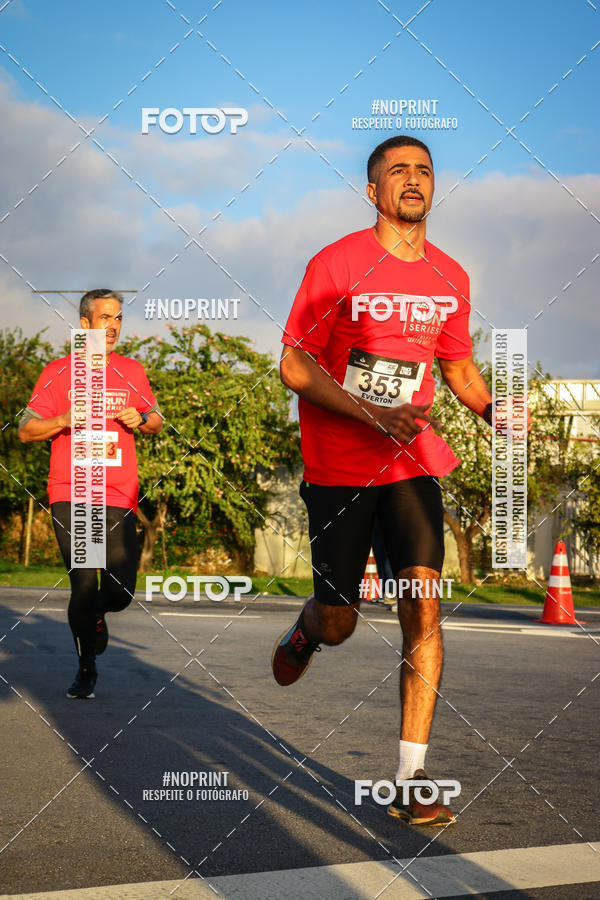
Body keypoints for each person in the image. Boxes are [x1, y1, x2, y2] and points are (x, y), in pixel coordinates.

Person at [273, 136, 497, 826]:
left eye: (424, 170)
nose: (413, 179)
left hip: (411, 462)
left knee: (422, 604)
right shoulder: (337, 265)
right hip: (340, 466)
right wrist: (372, 411)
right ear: (373, 192)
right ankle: (311, 628)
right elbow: (294, 365)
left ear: (434, 188)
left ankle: (412, 777)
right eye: (397, 170)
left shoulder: (452, 277)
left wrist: (496, 411)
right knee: (341, 620)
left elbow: (457, 367)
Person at [19, 289, 163, 699]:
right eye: (105, 318)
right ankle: (86, 668)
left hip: (118, 493)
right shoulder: (58, 372)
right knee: (83, 584)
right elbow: (27, 430)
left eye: (118, 318)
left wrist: (142, 417)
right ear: (85, 325)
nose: (114, 325)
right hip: (72, 490)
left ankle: (95, 615)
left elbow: (156, 421)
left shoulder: (131, 371)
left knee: (120, 592)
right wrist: (64, 418)